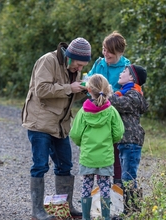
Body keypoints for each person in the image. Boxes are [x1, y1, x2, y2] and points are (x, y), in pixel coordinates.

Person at [21, 37, 91, 220]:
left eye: (83, 66)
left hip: (60, 125)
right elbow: (41, 90)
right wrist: (70, 87)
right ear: (70, 56)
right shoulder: (48, 60)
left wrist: (82, 90)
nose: (80, 69)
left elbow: (67, 97)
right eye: (78, 64)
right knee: (40, 166)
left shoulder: (73, 69)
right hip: (40, 123)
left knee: (65, 165)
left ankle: (66, 207)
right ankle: (37, 211)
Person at [69, 74, 125, 220]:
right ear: (107, 90)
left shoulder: (83, 112)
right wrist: (109, 142)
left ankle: (86, 218)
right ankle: (106, 217)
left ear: (89, 89)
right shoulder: (111, 111)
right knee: (105, 188)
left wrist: (84, 145)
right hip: (105, 157)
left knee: (86, 187)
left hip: (88, 157)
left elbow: (75, 134)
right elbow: (119, 133)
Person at [87, 31, 130, 187]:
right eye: (104, 49)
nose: (105, 53)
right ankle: (100, 189)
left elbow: (130, 92)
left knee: (116, 153)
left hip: (115, 115)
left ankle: (118, 187)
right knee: (99, 150)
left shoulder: (127, 68)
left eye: (109, 51)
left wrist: (110, 97)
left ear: (119, 51)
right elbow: (89, 81)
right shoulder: (99, 63)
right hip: (97, 113)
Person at [109, 64, 148, 216]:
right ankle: (129, 210)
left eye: (124, 71)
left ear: (132, 77)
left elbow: (118, 104)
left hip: (131, 142)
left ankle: (132, 211)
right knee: (127, 176)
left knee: (128, 177)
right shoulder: (126, 92)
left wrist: (102, 94)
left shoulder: (134, 95)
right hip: (125, 142)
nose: (121, 73)